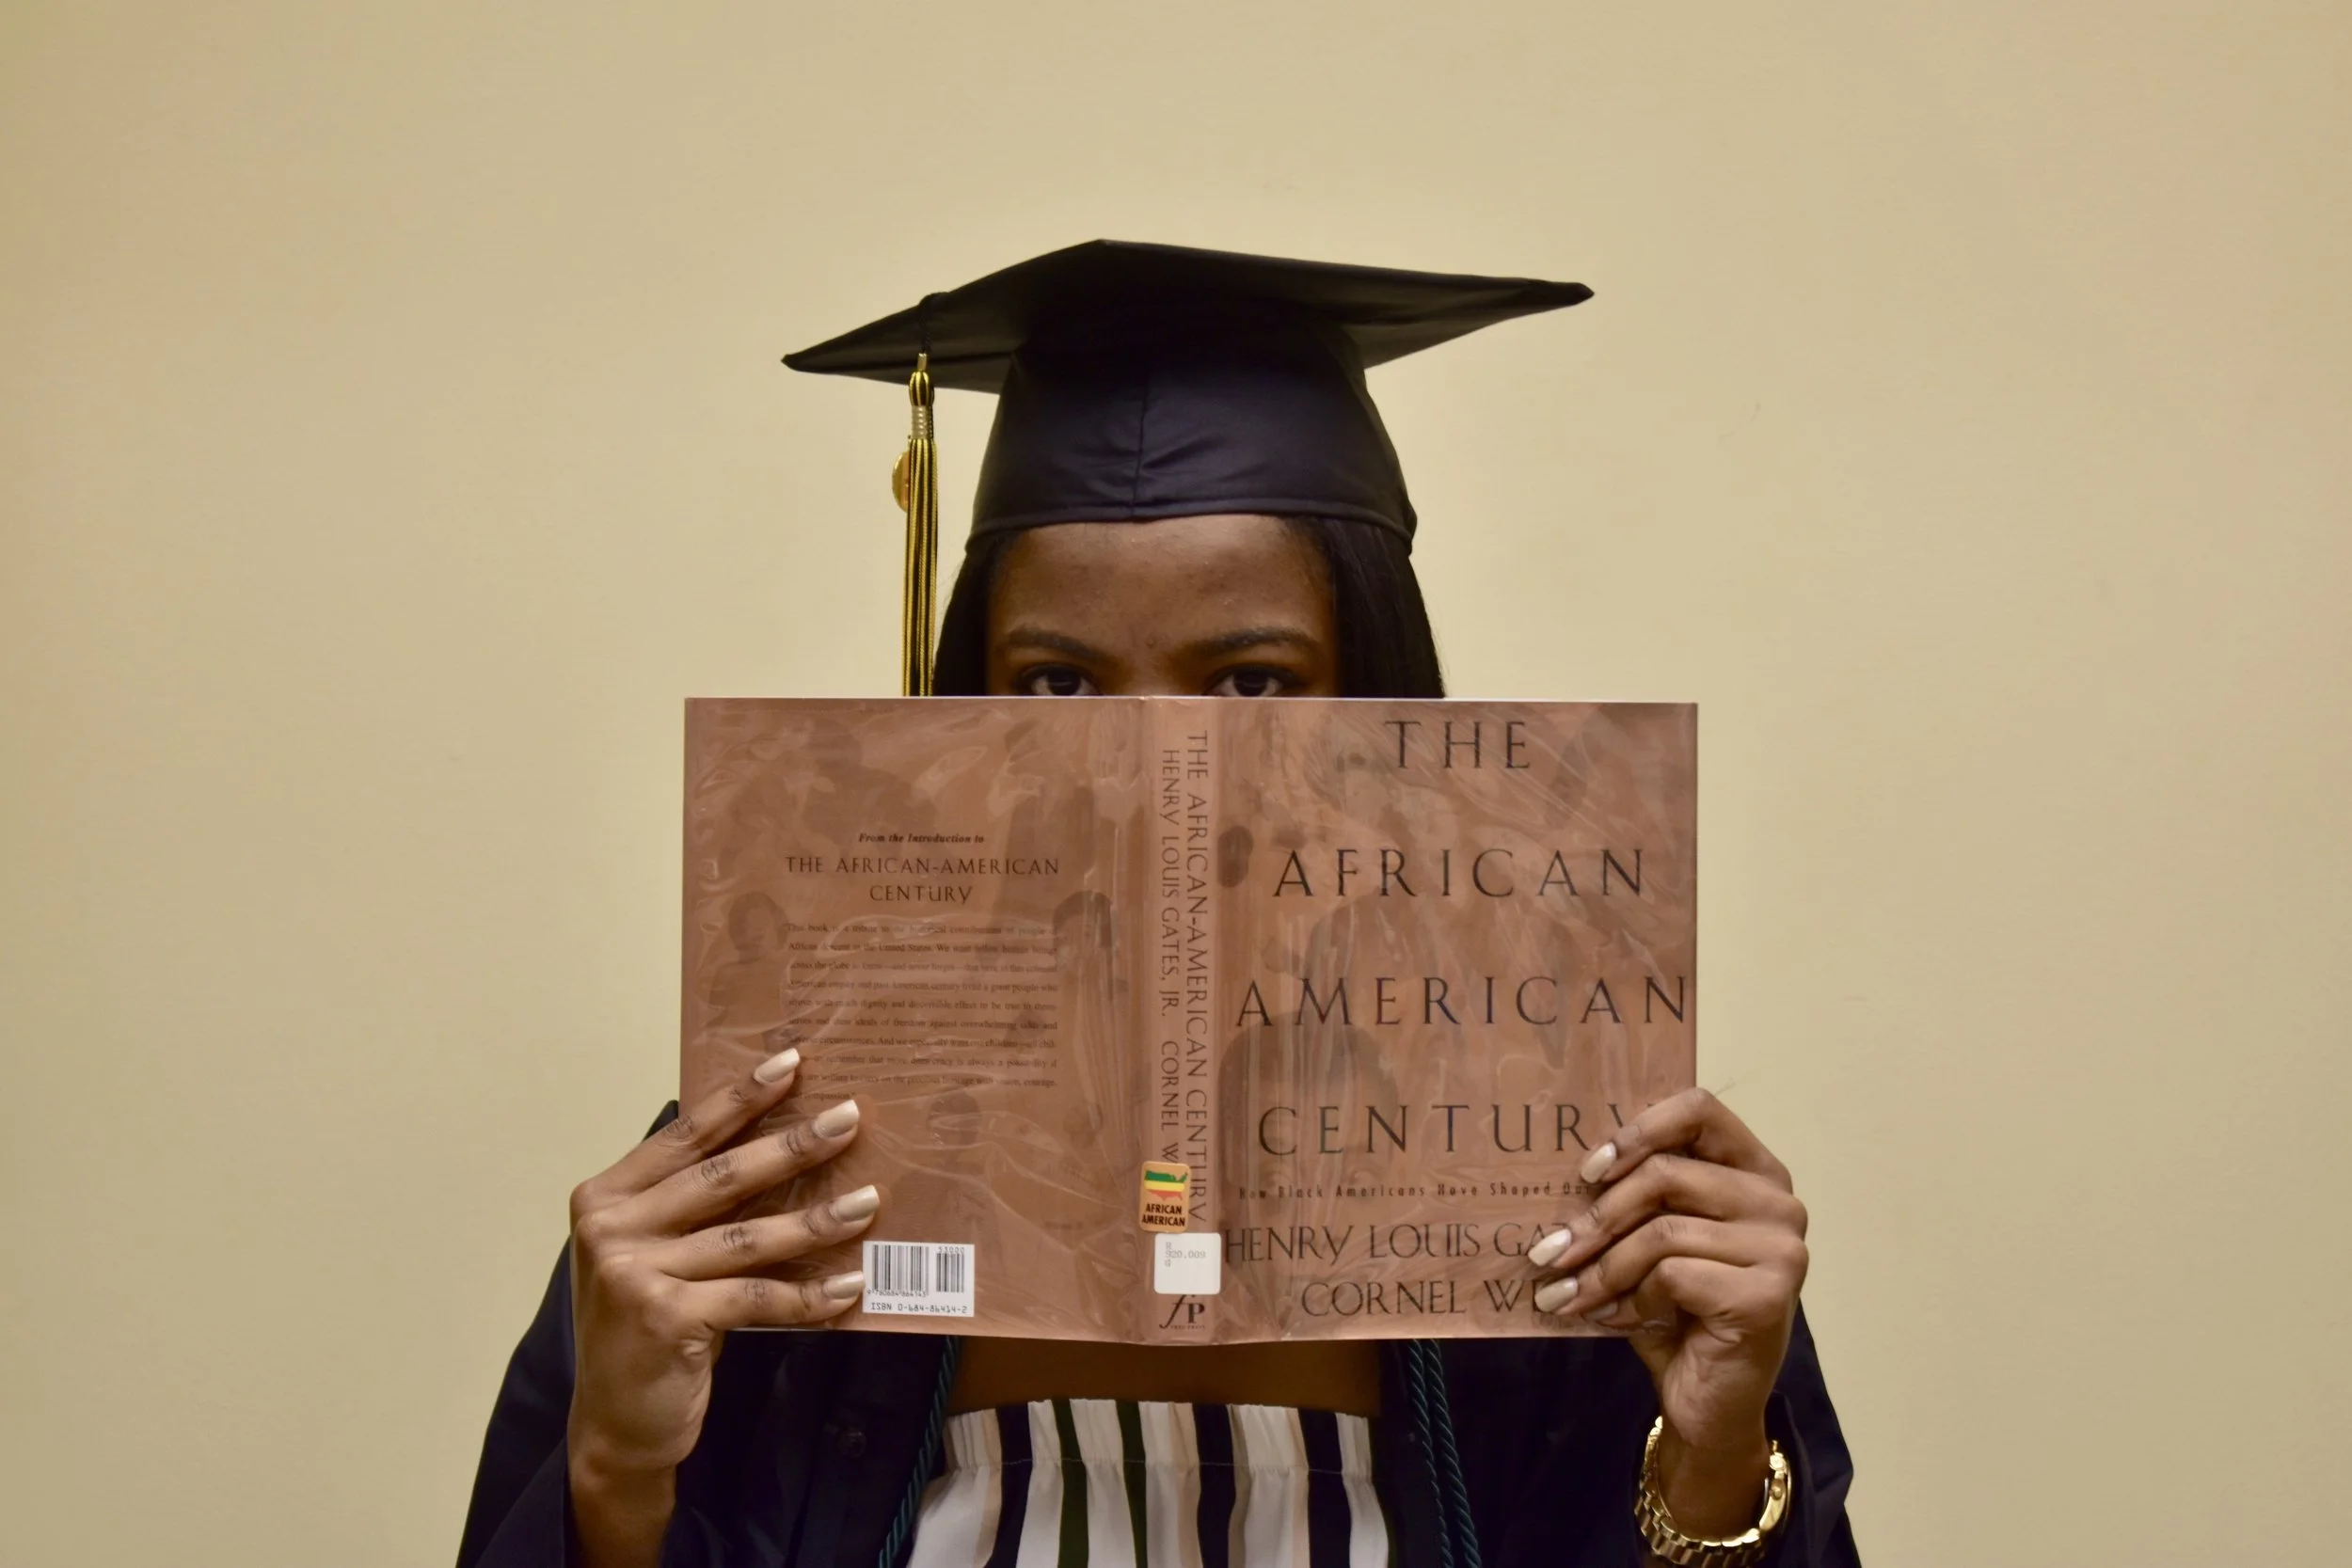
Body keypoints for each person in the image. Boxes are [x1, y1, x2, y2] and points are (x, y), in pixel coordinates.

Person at [458, 242, 1858, 1568]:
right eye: (1056, 684)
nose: (1145, 779)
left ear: (1378, 705)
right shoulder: (772, 1181)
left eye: (1250, 682)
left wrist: (1718, 1450)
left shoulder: (1569, 1176)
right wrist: (616, 1472)